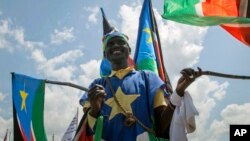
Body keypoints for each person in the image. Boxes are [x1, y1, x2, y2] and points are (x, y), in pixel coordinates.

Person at [79, 31, 201, 141]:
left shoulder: (149, 78)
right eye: (110, 44)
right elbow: (88, 132)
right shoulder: (96, 86)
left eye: (121, 42)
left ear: (129, 50)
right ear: (105, 54)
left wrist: (178, 93)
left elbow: (162, 127)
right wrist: (95, 109)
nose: (116, 45)